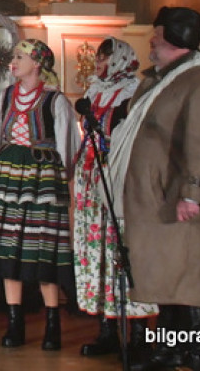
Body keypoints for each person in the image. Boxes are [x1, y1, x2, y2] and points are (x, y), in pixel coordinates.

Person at [108, 7, 200, 371]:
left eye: (157, 36)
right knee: (167, 281)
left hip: (179, 203)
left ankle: (194, 355)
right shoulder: (162, 80)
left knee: (188, 283)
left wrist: (193, 194)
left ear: (176, 40)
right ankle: (168, 352)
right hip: (158, 203)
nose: (151, 42)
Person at [0, 38, 78, 350]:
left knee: (41, 252)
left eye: (19, 57)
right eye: (14, 57)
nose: (12, 62)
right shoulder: (4, 97)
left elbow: (67, 145)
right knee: (9, 252)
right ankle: (14, 322)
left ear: (37, 63)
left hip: (41, 180)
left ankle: (52, 324)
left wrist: (62, 181)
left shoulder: (55, 101)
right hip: (6, 178)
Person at [72, 38, 156, 356]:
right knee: (97, 253)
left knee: (124, 251)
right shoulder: (94, 90)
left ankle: (138, 335)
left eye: (105, 57)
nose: (99, 62)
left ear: (120, 59)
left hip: (120, 176)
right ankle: (106, 330)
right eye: (98, 56)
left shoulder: (136, 91)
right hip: (91, 177)